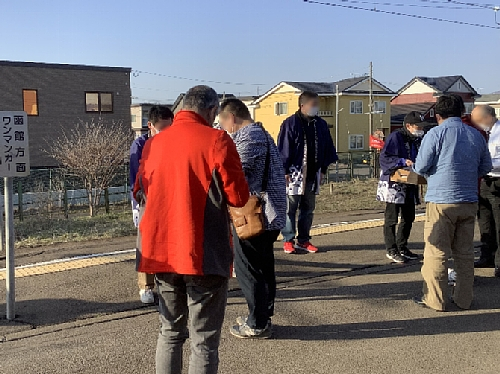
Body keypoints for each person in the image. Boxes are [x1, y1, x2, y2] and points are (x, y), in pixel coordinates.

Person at [134, 85, 250, 374]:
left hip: (161, 252)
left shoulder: (153, 144)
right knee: (204, 341)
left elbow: (139, 191)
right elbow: (239, 197)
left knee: (170, 331)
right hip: (204, 252)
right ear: (211, 110)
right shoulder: (218, 141)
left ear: (182, 108)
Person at [412, 95, 492, 311]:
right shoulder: (476, 135)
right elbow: (485, 167)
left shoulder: (435, 134)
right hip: (469, 199)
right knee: (464, 254)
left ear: (438, 115)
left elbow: (420, 167)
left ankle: (435, 300)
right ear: (462, 113)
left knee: (436, 252)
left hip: (441, 200)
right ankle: (464, 299)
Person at [218, 98, 286, 339]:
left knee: (249, 268)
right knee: (263, 265)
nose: (223, 130)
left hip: (256, 215)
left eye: (222, 123)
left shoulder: (251, 137)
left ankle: (257, 323)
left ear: (232, 118)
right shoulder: (262, 134)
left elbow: (236, 171)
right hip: (268, 212)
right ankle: (261, 316)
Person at [277, 91, 338, 254]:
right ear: (302, 105)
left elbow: (327, 147)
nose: (316, 108)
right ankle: (288, 239)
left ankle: (304, 240)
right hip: (294, 172)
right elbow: (283, 148)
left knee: (308, 208)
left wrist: (324, 169)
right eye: (313, 105)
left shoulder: (321, 125)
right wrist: (284, 170)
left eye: (317, 104)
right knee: (290, 208)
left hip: (313, 172)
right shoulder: (290, 123)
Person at [129, 105, 174, 304]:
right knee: (145, 243)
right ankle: (146, 286)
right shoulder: (140, 145)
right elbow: (136, 177)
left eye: (169, 128)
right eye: (162, 128)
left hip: (169, 200)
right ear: (150, 126)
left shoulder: (175, 142)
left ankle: (168, 281)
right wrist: (138, 201)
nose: (166, 132)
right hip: (146, 200)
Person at [377, 111, 424, 264]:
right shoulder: (395, 137)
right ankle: (391, 249)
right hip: (394, 183)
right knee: (391, 218)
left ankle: (402, 246)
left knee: (409, 216)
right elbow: (384, 158)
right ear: (408, 125)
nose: (420, 129)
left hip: (410, 181)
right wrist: (403, 161)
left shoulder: (417, 139)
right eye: (418, 126)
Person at [471, 105, 500, 277]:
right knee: (485, 221)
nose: (478, 124)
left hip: (498, 180)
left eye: (480, 120)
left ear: (489, 116)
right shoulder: (486, 134)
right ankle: (486, 256)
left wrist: (486, 165)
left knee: (499, 224)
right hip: (485, 181)